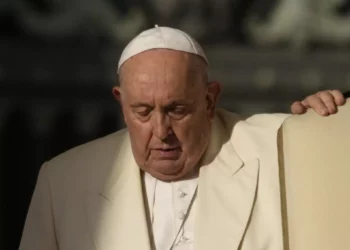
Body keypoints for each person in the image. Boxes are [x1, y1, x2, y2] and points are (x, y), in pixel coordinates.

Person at [19, 26, 347, 250]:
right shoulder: (62, 182)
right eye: (143, 112)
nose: (161, 132)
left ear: (209, 100)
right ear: (121, 101)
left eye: (176, 109)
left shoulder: (279, 146)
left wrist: (330, 122)